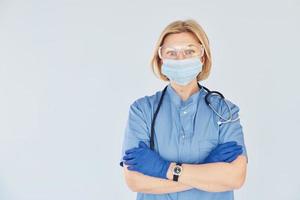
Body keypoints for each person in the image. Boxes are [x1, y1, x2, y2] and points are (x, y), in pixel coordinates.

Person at [119, 19, 248, 200]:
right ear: (161, 58)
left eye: (189, 51)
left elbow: (235, 177)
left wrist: (163, 169)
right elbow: (135, 180)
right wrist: (207, 169)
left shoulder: (225, 111)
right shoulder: (142, 111)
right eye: (171, 53)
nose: (181, 59)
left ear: (202, 57)